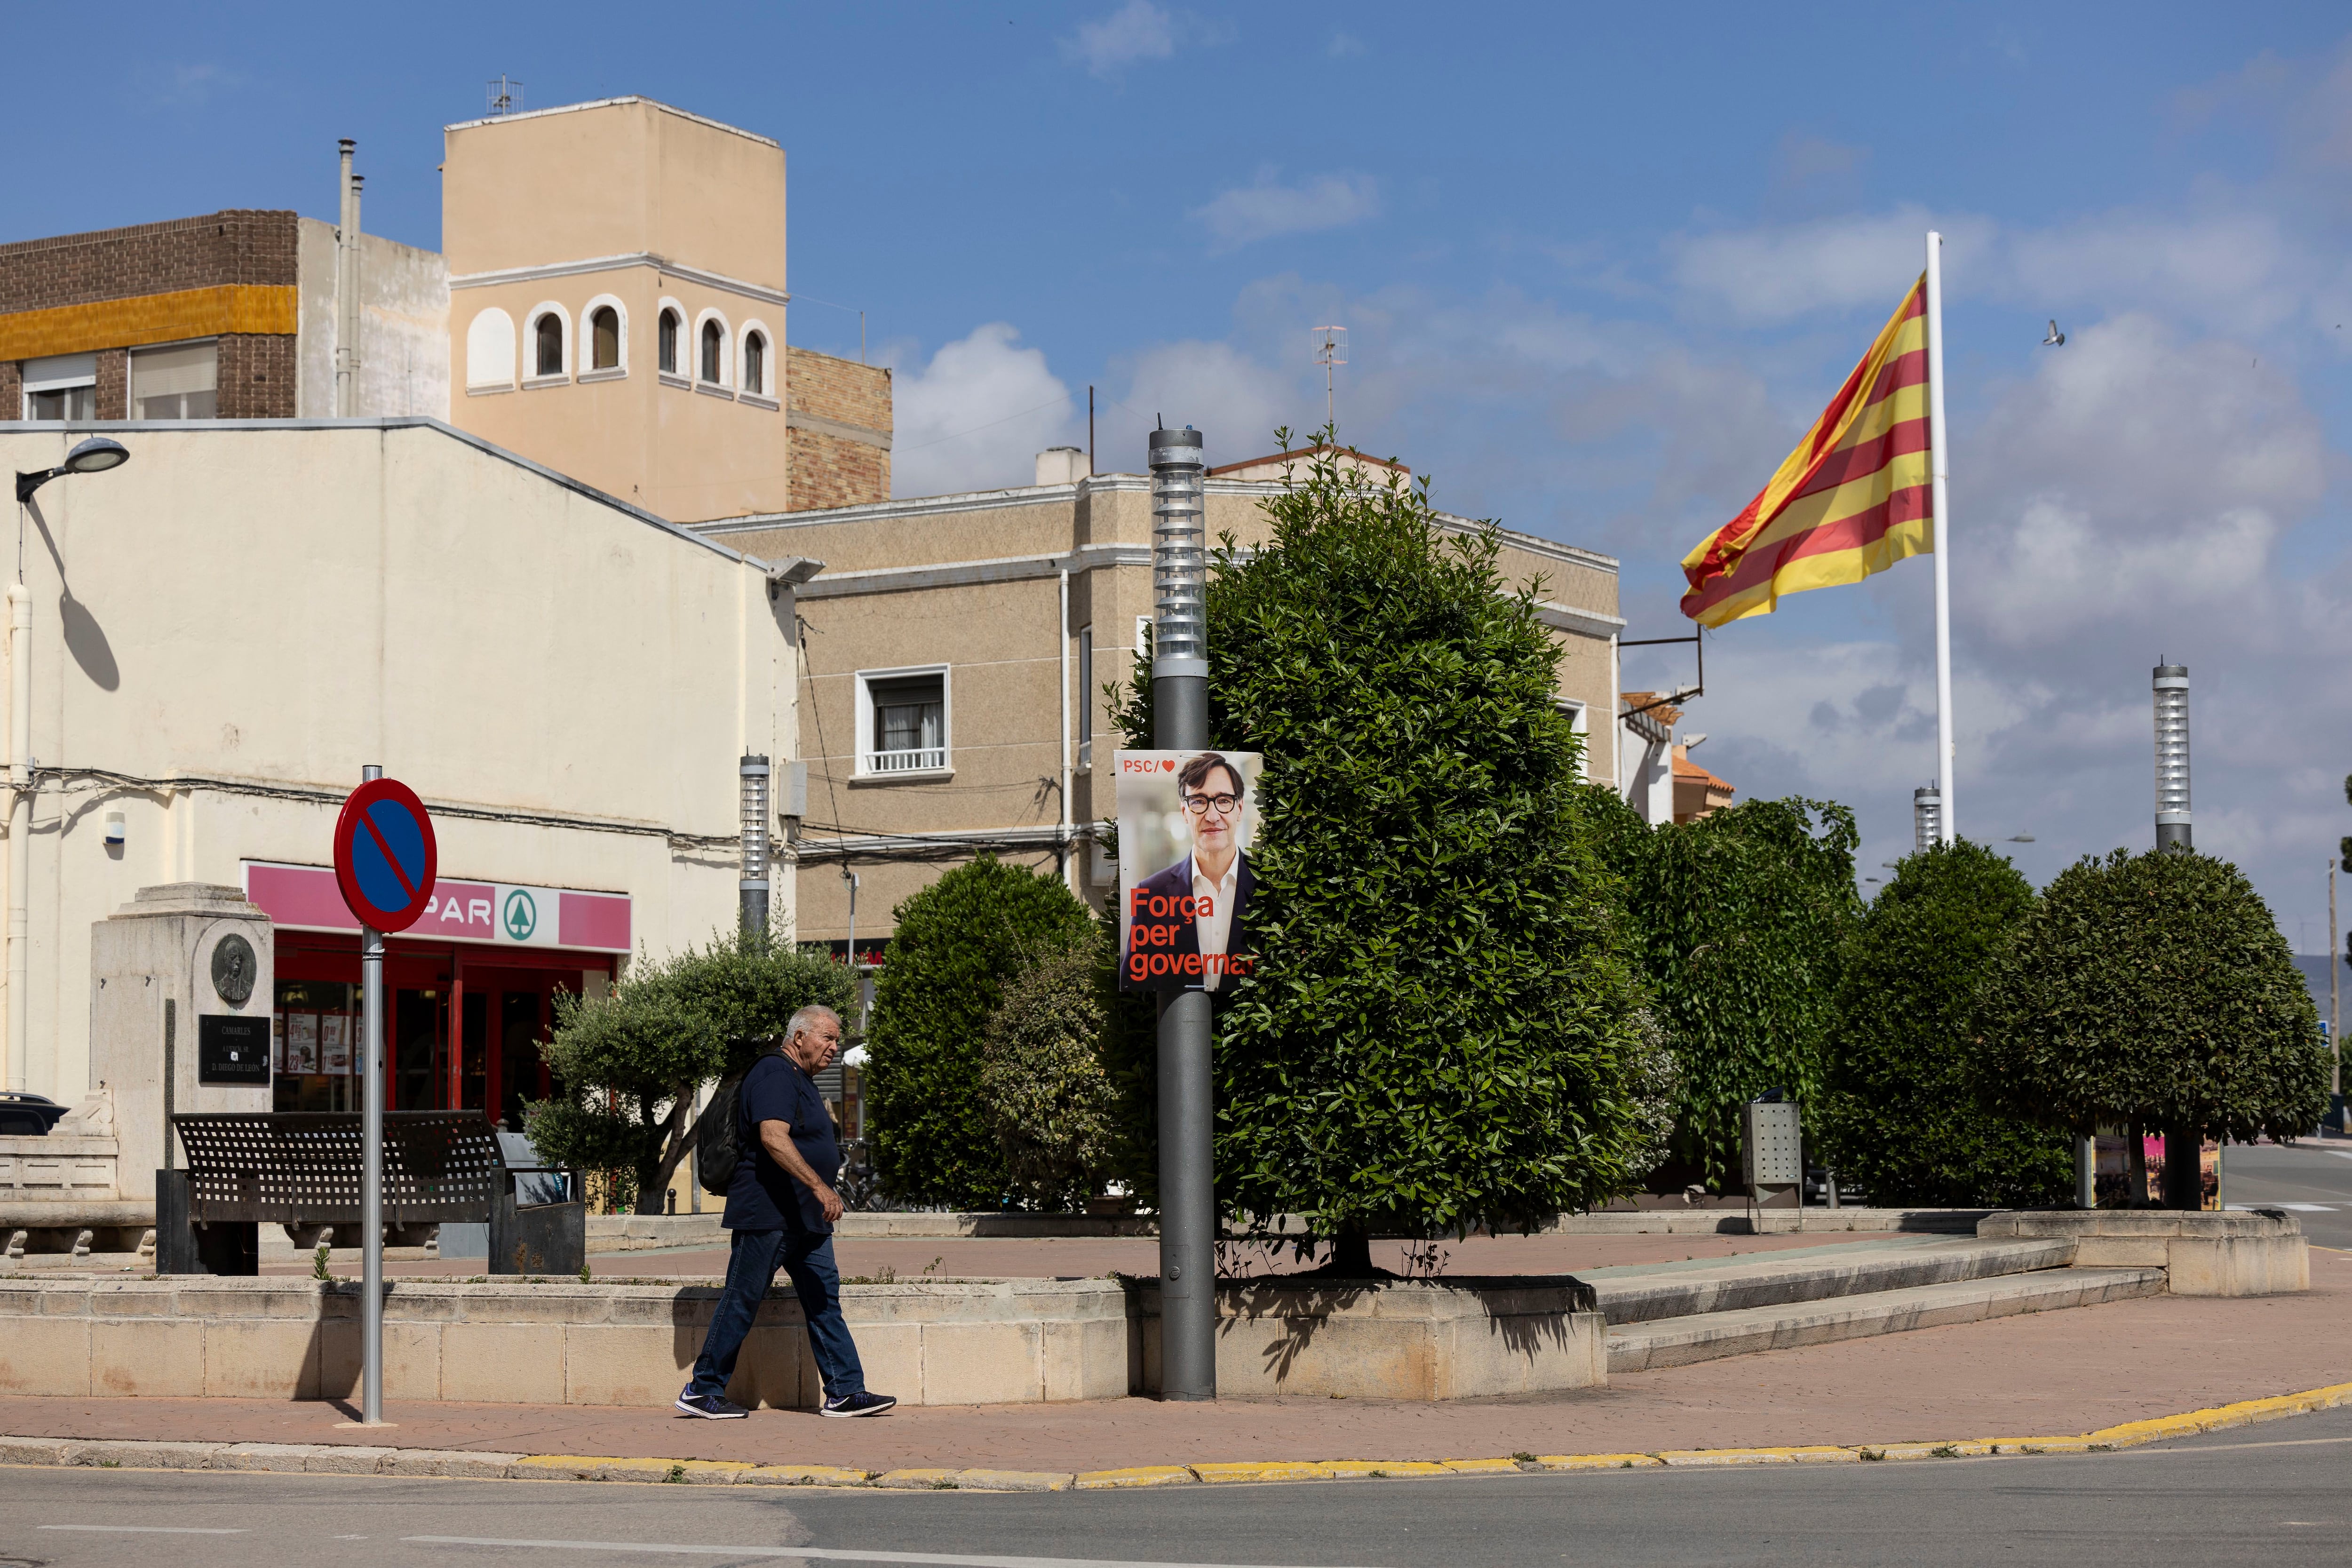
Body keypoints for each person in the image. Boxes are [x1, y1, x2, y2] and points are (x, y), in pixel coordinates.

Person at [676, 1003, 895, 1419]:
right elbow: (773, 1137)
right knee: (743, 1297)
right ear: (799, 1037)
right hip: (770, 1213)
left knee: (824, 1300)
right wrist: (820, 1187)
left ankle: (846, 1390)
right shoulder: (776, 1072)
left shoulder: (802, 1079)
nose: (834, 1047)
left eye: (837, 1039)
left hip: (804, 1217)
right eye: (827, 1038)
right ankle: (701, 1389)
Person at [1122, 751, 1255, 992]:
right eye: (1198, 801)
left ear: (1240, 809)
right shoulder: (1151, 893)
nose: (1212, 816)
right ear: (1185, 812)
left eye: (1224, 800)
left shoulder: (1270, 887)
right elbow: (1136, 986)